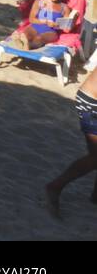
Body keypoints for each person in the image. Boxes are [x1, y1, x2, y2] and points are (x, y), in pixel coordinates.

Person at [44, 66, 97, 216]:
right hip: (92, 102)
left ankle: (96, 196)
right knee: (96, 156)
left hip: (91, 98)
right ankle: (55, 187)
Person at [11, 0, 79, 50]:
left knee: (39, 38)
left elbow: (66, 28)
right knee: (25, 35)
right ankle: (23, 43)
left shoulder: (64, 7)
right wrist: (45, 21)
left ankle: (27, 45)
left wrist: (57, 24)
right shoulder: (38, 2)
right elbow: (32, 19)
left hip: (51, 31)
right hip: (35, 26)